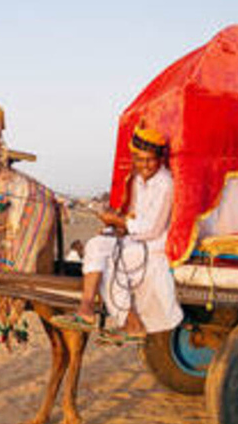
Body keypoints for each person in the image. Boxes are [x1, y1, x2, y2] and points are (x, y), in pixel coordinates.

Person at [52, 125, 183, 342]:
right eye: (140, 159)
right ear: (134, 157)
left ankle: (132, 324)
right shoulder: (139, 180)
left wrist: (118, 221)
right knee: (95, 244)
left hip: (154, 247)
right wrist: (114, 227)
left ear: (159, 159)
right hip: (135, 240)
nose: (145, 165)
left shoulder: (165, 184)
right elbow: (134, 217)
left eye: (151, 160)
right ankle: (85, 309)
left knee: (109, 261)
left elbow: (153, 228)